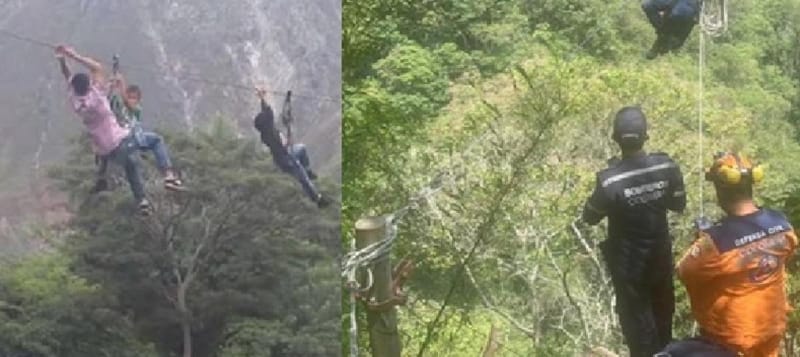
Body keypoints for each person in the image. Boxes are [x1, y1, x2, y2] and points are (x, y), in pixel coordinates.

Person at [580, 106, 686, 357]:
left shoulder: (609, 181)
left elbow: (590, 216)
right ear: (645, 136)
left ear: (616, 139)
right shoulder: (667, 166)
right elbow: (678, 204)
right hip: (660, 260)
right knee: (663, 323)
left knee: (638, 333)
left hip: (629, 271)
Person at [674, 152, 796, 357]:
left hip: (729, 340)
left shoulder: (715, 241)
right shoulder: (782, 223)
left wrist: (700, 241)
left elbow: (683, 271)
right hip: (771, 328)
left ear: (720, 190)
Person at [56, 44, 181, 214]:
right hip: (120, 141)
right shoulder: (98, 96)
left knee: (130, 166)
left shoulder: (76, 101)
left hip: (108, 153)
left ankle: (142, 201)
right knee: (155, 140)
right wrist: (74, 55)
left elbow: (67, 76)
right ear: (90, 85)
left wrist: (62, 59)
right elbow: (96, 67)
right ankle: (168, 175)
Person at [90, 71, 184, 195]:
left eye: (134, 98)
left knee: (156, 140)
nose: (131, 100)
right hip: (120, 141)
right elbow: (106, 103)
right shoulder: (118, 109)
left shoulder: (136, 110)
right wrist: (111, 86)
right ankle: (103, 179)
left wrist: (121, 84)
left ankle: (167, 174)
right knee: (108, 151)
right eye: (130, 97)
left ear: (138, 100)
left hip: (135, 138)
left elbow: (127, 103)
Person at [253, 87, 329, 208]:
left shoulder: (266, 132)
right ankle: (317, 199)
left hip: (286, 154)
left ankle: (308, 170)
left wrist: (262, 99)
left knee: (302, 148)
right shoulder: (269, 133)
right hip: (286, 159)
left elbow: (266, 112)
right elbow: (268, 112)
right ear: (265, 123)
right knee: (303, 178)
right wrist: (263, 98)